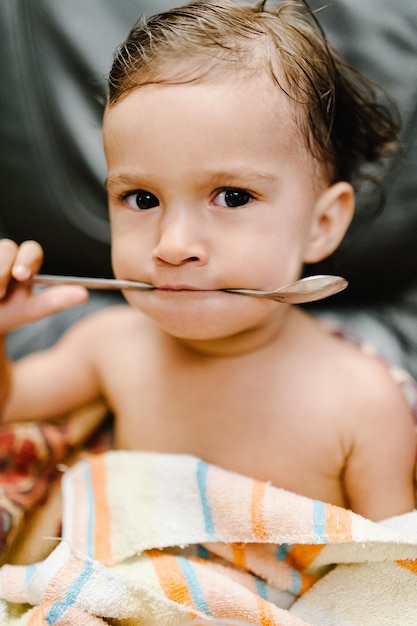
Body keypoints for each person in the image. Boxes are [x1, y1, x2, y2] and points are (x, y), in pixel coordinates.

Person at [0, 0, 415, 521]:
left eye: (234, 197)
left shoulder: (364, 405)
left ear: (321, 224)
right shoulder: (109, 346)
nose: (172, 245)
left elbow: (395, 579)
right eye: (142, 199)